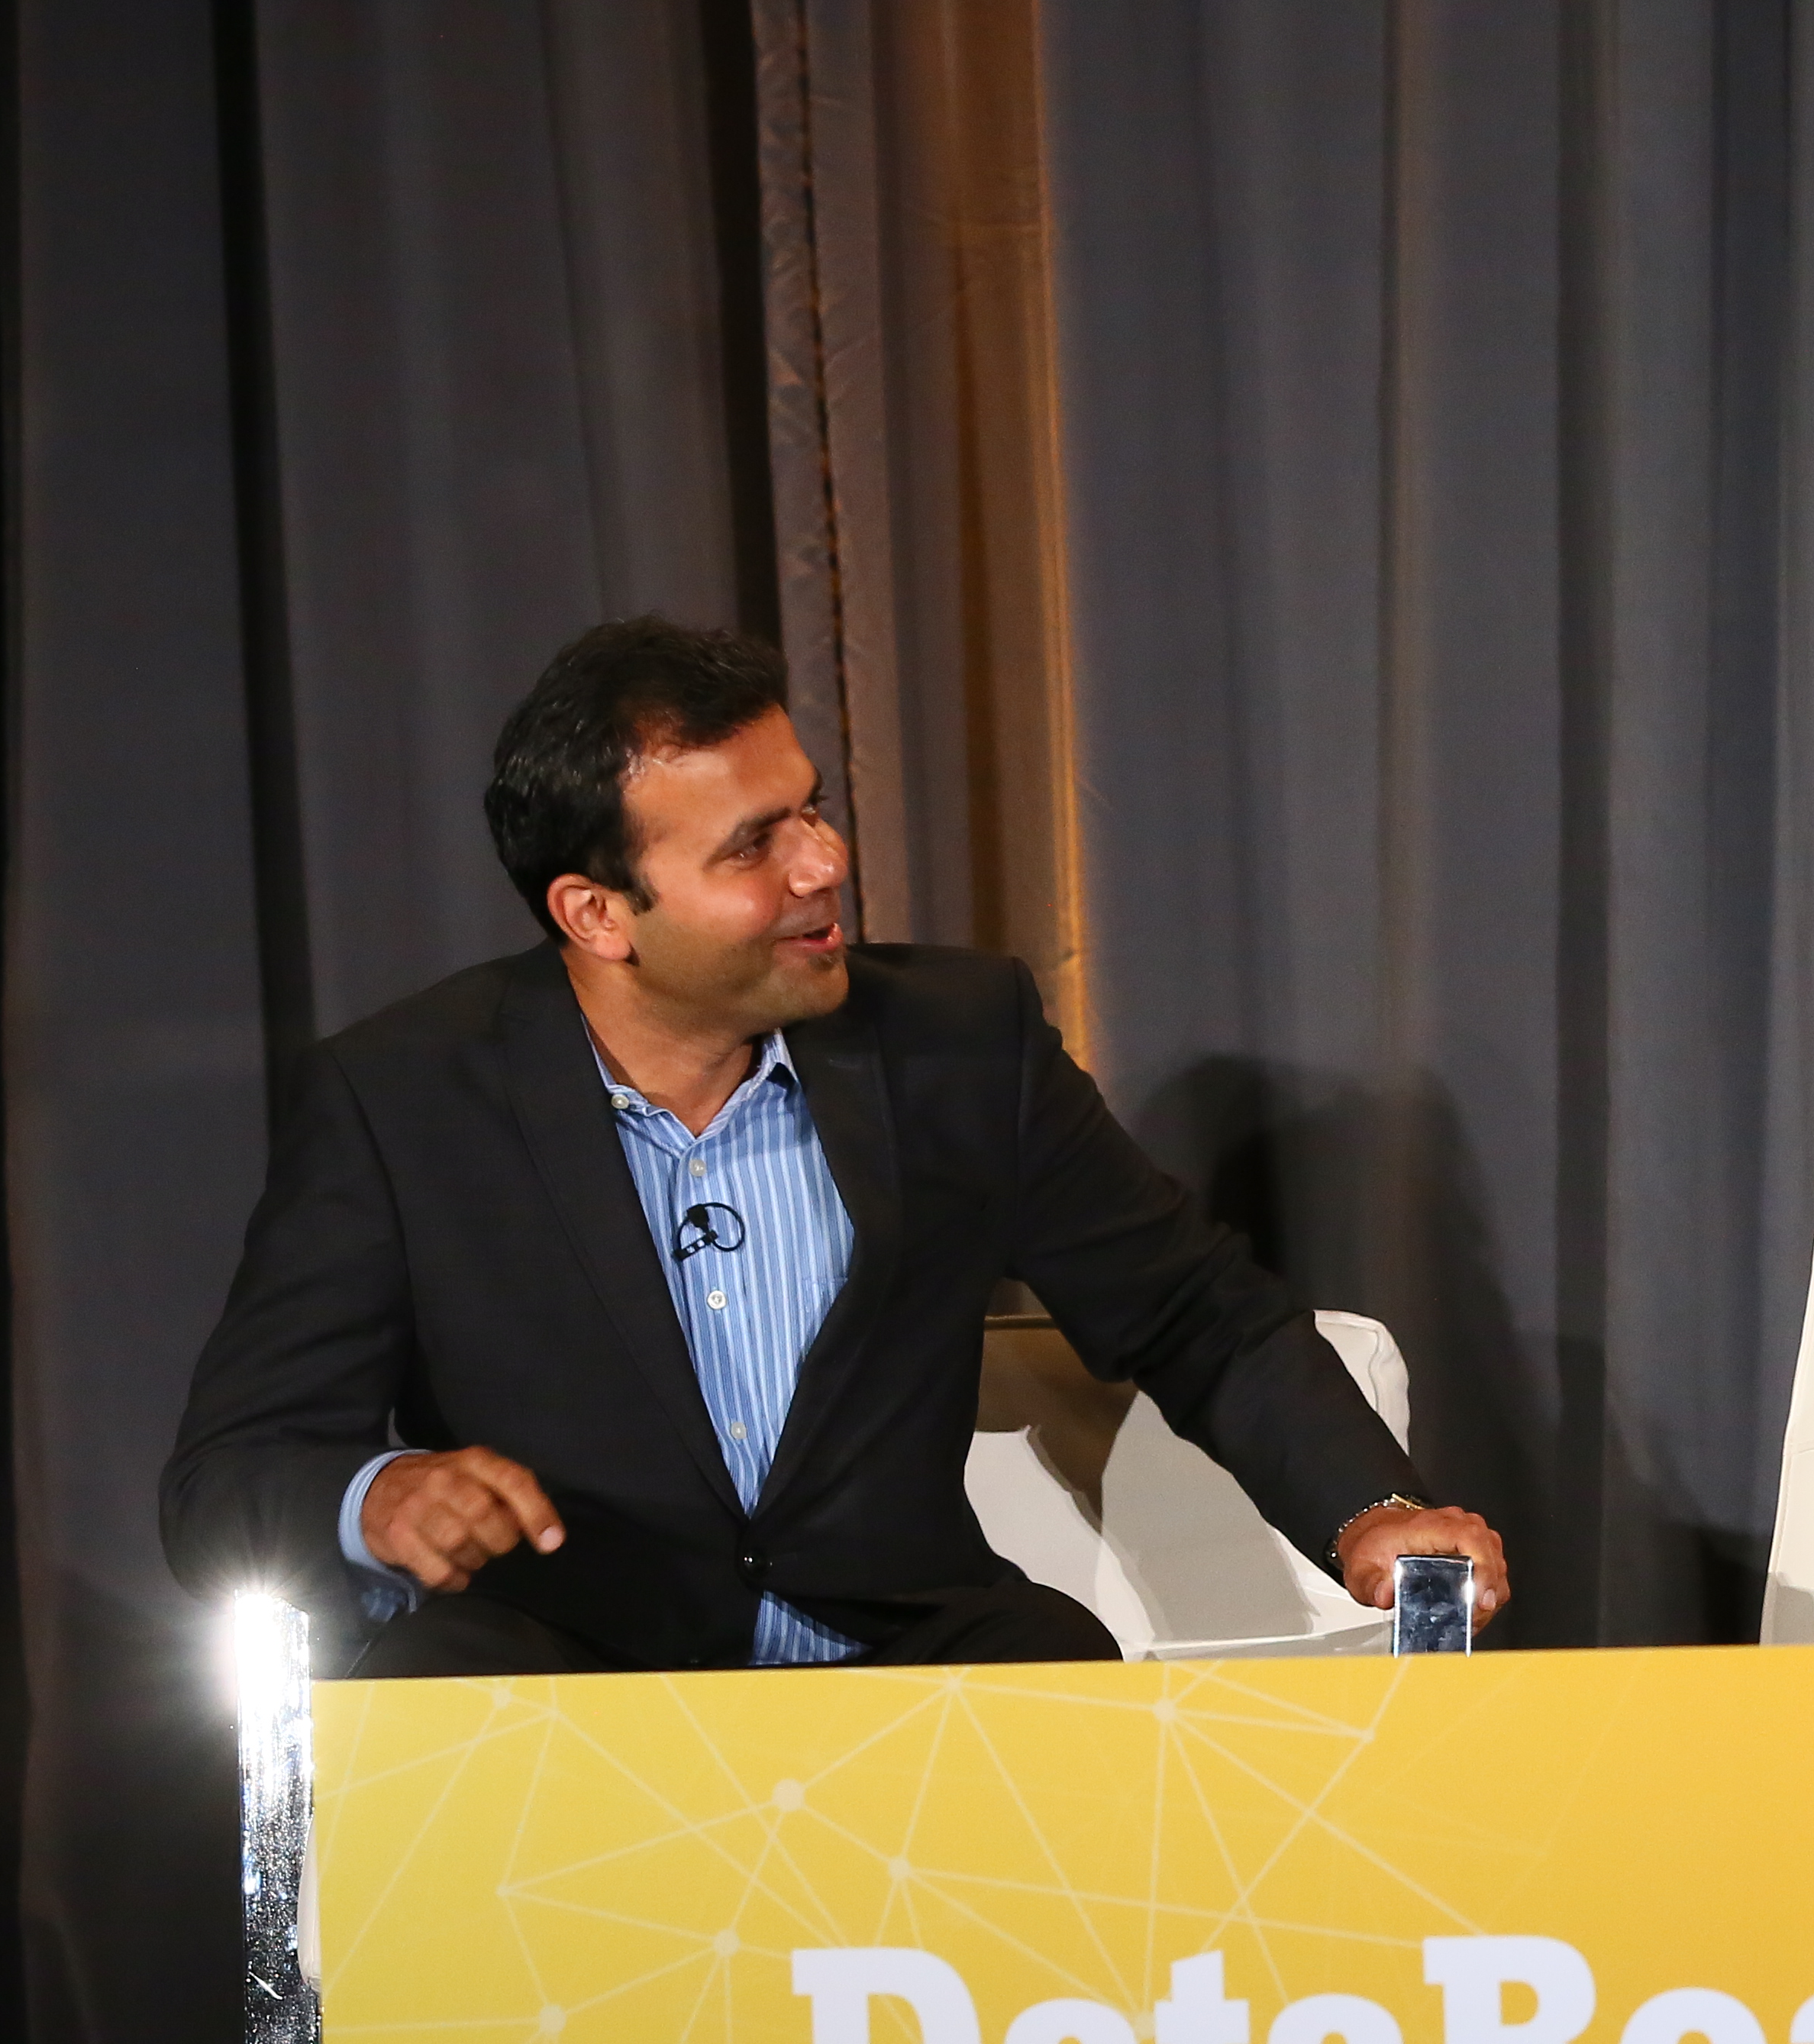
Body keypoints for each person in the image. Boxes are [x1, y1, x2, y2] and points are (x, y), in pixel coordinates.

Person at [163, 618, 1508, 1675]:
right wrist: (380, 1494)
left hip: (910, 1652)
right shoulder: (404, 1099)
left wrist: (1371, 1513)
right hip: (570, 1670)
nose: (825, 863)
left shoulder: (956, 1044)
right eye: (758, 844)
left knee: (1066, 1682)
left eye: (808, 808)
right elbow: (232, 1475)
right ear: (598, 913)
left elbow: (1201, 1316)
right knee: (424, 1714)